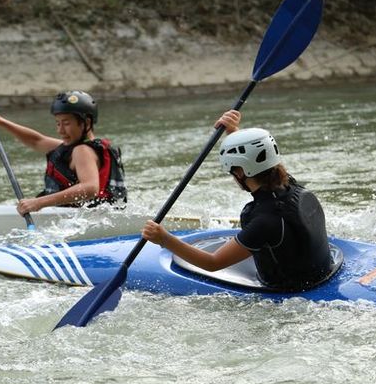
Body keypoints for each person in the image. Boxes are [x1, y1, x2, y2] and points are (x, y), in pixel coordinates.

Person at [142, 111, 334, 291]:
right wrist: (233, 132)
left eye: (232, 172)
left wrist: (165, 239)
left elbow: (213, 263)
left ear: (240, 172)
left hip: (290, 289)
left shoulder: (265, 221)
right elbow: (260, 158)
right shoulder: (290, 185)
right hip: (322, 273)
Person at [0, 90, 126, 215]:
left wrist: (39, 203)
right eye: (58, 123)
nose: (60, 130)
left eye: (66, 123)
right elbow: (36, 141)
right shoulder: (77, 148)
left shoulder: (82, 151)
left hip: (87, 220)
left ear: (86, 123)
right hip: (98, 216)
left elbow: (90, 188)